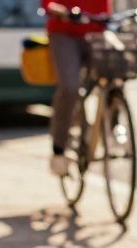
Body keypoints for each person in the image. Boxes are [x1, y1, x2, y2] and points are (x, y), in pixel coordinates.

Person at [43, 0, 112, 177]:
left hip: (95, 31)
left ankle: (113, 127)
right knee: (70, 87)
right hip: (64, 31)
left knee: (116, 71)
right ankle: (58, 149)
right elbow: (47, 3)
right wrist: (58, 10)